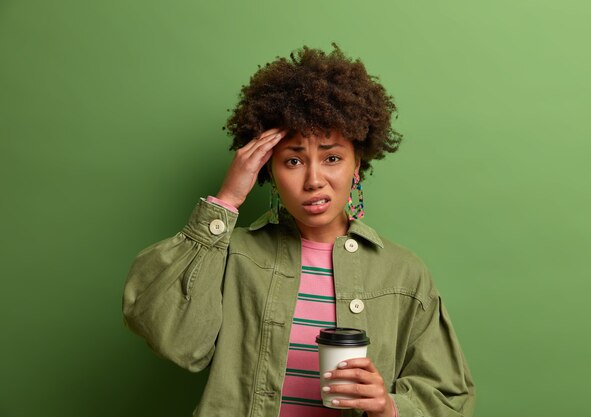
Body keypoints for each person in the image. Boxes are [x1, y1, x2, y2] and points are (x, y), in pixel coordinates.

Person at [123, 45, 475, 417]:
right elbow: (176, 340)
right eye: (293, 161)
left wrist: (389, 407)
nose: (314, 180)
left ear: (357, 164)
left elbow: (449, 397)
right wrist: (226, 200)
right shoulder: (232, 256)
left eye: (332, 158)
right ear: (269, 171)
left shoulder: (404, 274)